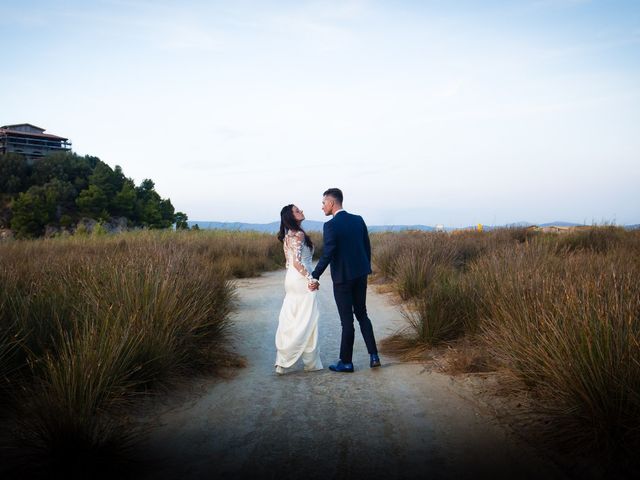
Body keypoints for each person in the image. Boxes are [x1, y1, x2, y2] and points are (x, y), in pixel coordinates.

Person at [309, 188, 381, 372]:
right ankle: (374, 356)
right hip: (360, 274)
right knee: (362, 314)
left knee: (347, 321)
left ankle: (346, 362)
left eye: (324, 203)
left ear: (332, 203)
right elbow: (366, 247)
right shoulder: (358, 220)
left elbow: (328, 253)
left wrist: (315, 274)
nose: (322, 206)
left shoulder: (330, 226)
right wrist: (365, 268)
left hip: (342, 279)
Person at [274, 204, 323, 375]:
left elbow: (289, 263)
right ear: (291, 217)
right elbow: (296, 262)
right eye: (297, 211)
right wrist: (311, 279)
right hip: (301, 278)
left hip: (291, 279)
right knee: (308, 319)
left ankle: (282, 361)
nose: (301, 211)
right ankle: (310, 362)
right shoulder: (299, 234)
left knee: (292, 318)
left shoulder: (288, 236)